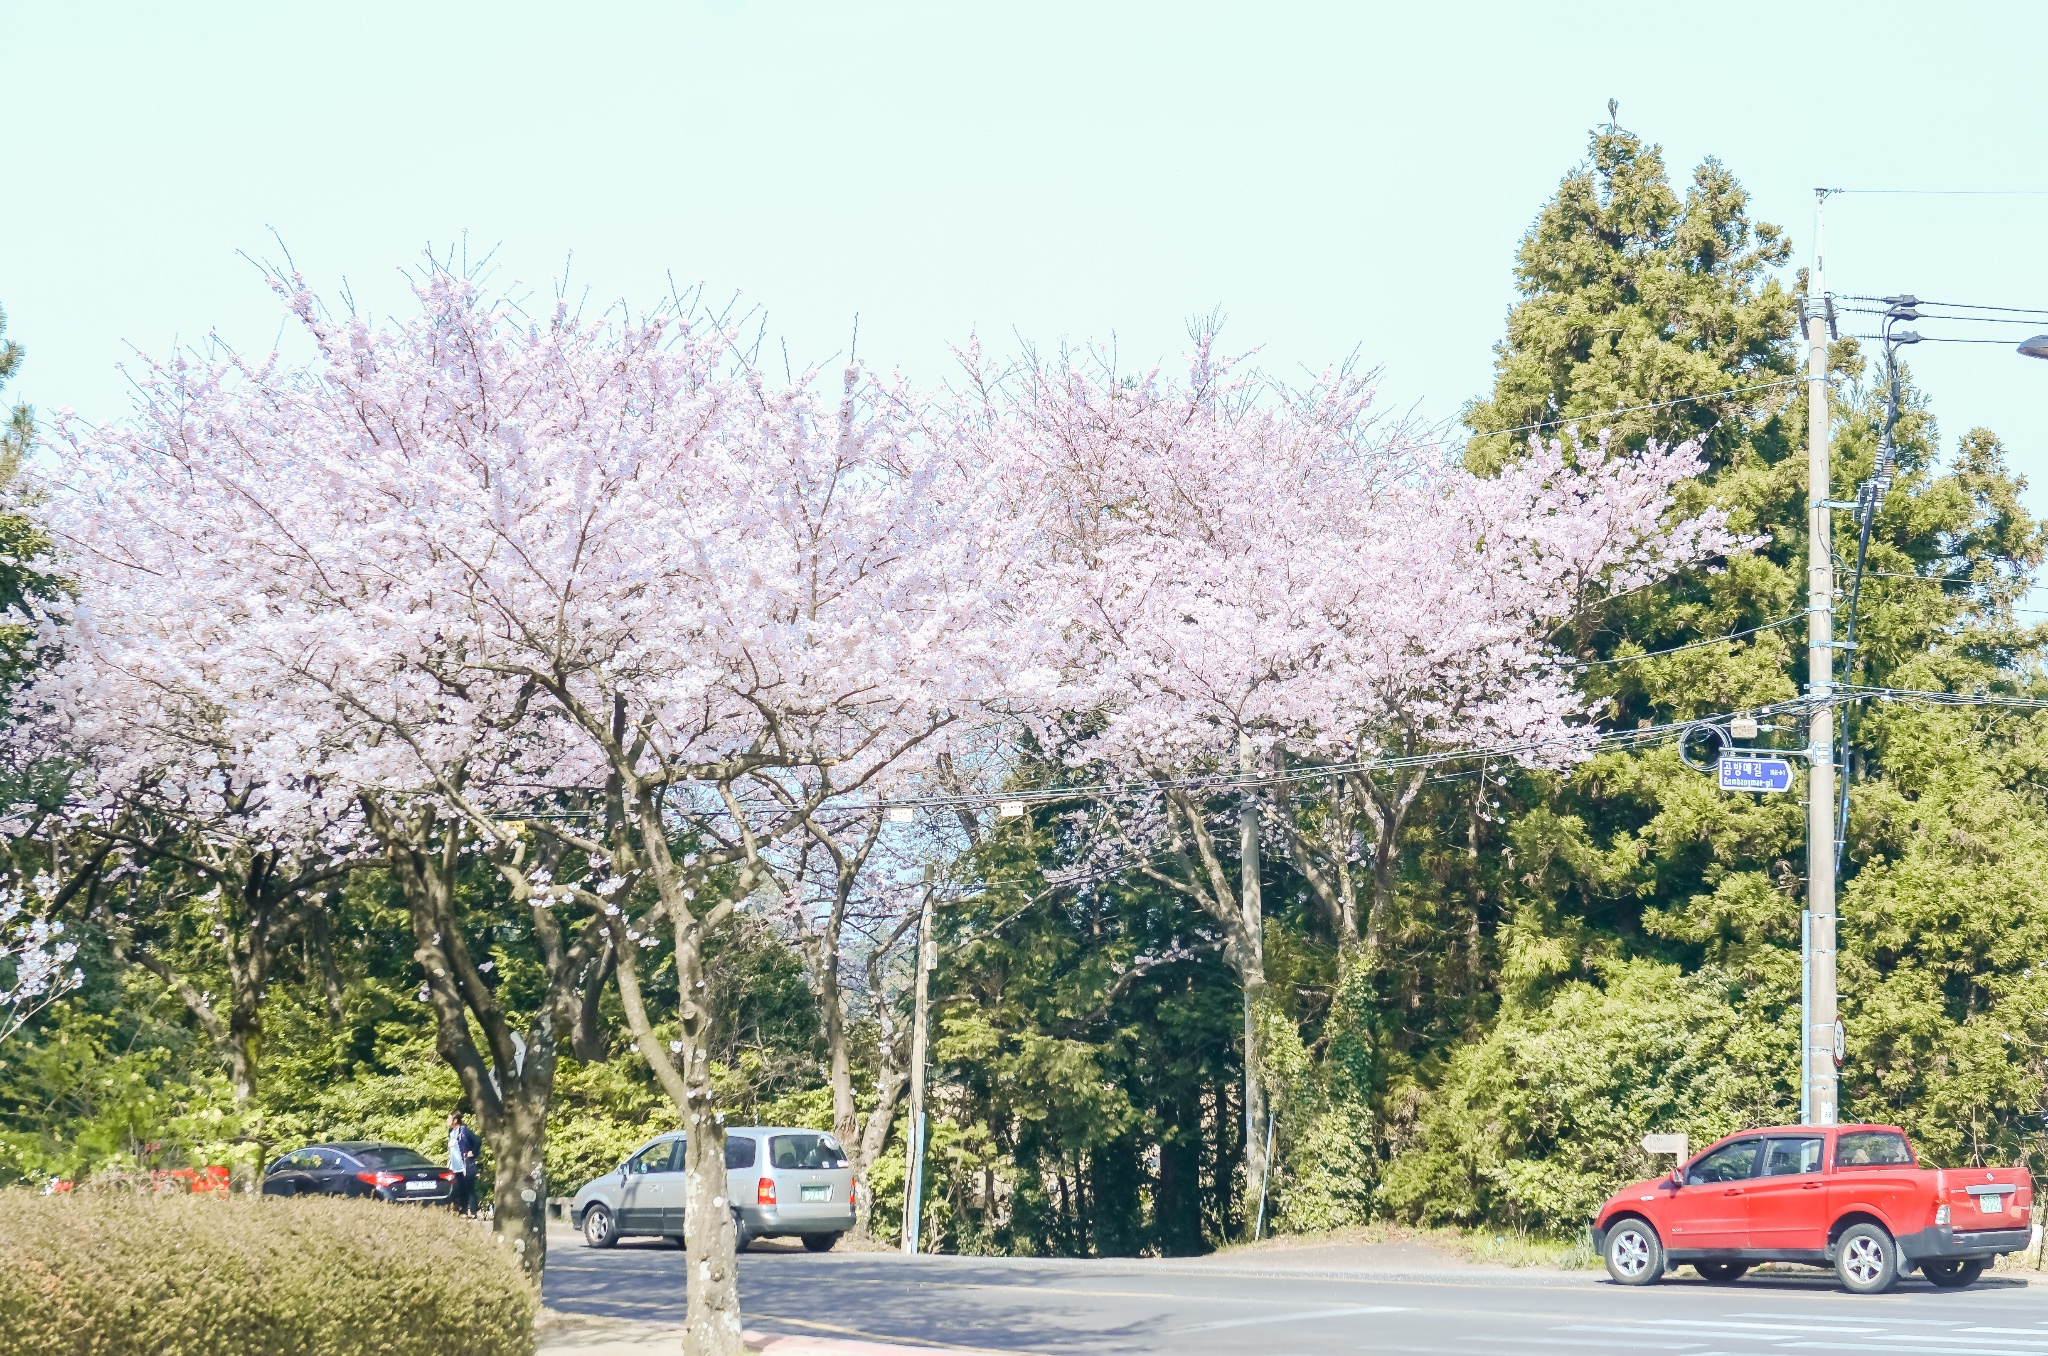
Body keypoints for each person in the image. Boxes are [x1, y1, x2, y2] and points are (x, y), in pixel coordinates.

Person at [447, 1111, 481, 1216]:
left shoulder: (464, 1130)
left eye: (449, 1118)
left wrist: (473, 1153)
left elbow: (477, 1141)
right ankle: (464, 1211)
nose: (447, 1121)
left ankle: (474, 1211)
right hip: (455, 1166)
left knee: (469, 1189)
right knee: (461, 1189)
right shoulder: (451, 1132)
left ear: (455, 1120)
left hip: (466, 1165)